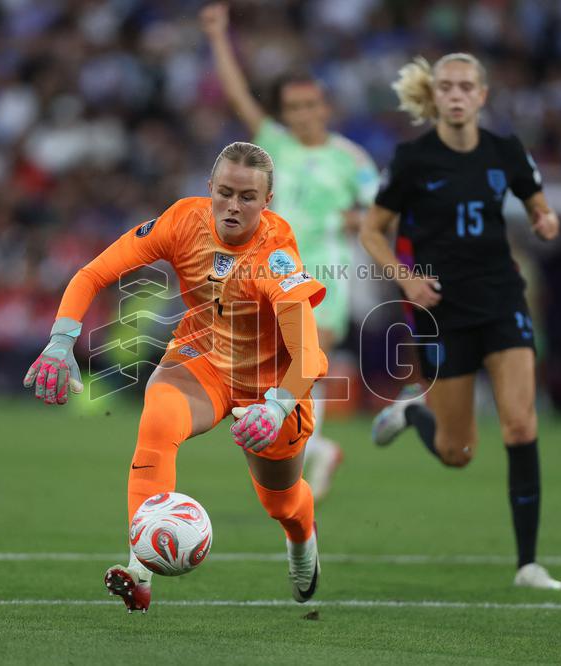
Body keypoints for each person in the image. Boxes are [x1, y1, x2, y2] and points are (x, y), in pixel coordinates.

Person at [24, 142, 326, 613]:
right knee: (158, 420)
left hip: (271, 384)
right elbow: (93, 273)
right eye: (224, 192)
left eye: (248, 197)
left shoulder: (277, 257)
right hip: (202, 359)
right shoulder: (183, 220)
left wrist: (278, 405)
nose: (233, 205)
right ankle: (139, 570)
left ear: (267, 202)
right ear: (209, 188)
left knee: (280, 503)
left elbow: (309, 355)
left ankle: (302, 539)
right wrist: (61, 341)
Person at [360, 54, 561, 590]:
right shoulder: (412, 159)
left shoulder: (506, 152)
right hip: (444, 311)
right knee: (459, 453)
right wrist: (405, 280)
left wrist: (545, 220)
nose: (455, 94)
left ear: (482, 96)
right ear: (436, 95)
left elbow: (539, 205)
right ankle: (412, 415)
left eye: (465, 86)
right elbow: (371, 231)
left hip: (502, 302)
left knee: (521, 423)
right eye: (446, 86)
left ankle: (528, 564)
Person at [200, 2, 380, 500]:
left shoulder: (351, 160)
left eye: (310, 105)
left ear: (325, 107)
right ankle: (315, 448)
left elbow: (381, 215)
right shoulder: (275, 143)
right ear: (285, 112)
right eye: (294, 107)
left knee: (311, 354)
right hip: (272, 271)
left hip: (324, 271)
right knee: (283, 364)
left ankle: (310, 452)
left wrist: (355, 219)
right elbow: (238, 96)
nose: (303, 114)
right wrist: (219, 36)